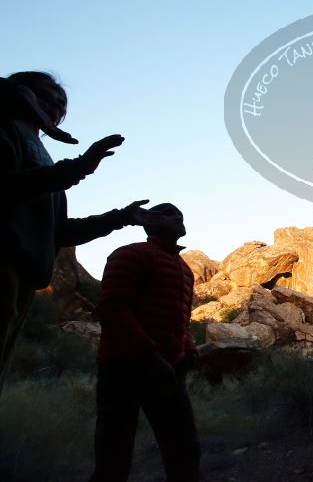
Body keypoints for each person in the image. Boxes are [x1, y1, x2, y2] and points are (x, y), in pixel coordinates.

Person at [0, 71, 162, 392]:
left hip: (22, 280)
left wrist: (121, 217)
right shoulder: (5, 130)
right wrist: (79, 168)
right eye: (45, 94)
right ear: (21, 92)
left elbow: (60, 232)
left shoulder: (41, 155)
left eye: (62, 104)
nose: (56, 104)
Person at [91, 203, 200, 482]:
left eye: (180, 213)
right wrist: (151, 357)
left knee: (184, 449)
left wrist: (188, 350)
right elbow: (112, 309)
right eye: (167, 213)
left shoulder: (185, 270)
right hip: (123, 369)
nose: (178, 216)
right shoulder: (130, 255)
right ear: (149, 222)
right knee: (113, 455)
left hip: (169, 370)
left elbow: (179, 319)